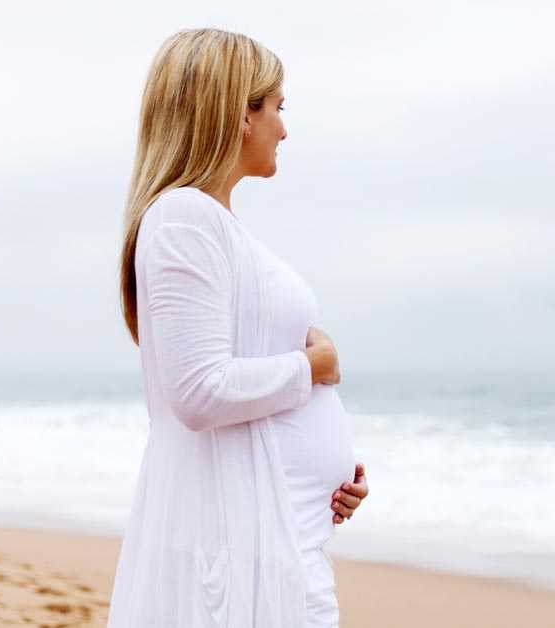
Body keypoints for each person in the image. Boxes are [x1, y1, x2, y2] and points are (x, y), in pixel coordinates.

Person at [109, 28, 369, 627]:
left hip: (278, 540)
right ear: (239, 114)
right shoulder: (183, 218)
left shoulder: (214, 227)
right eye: (277, 106)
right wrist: (314, 368)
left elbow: (244, 389)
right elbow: (200, 392)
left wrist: (324, 477)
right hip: (243, 562)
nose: (284, 128)